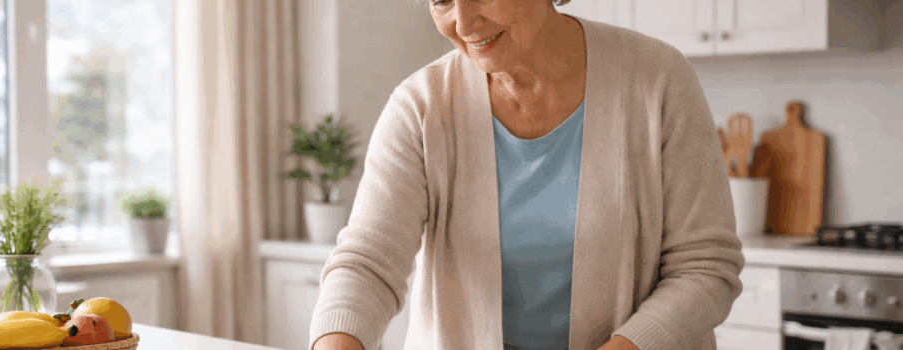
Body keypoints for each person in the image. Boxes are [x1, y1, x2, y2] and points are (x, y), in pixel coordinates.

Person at [309, 0, 745, 349]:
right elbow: (368, 262)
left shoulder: (657, 79)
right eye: (441, 0)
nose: (463, 22)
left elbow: (706, 268)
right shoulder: (420, 106)